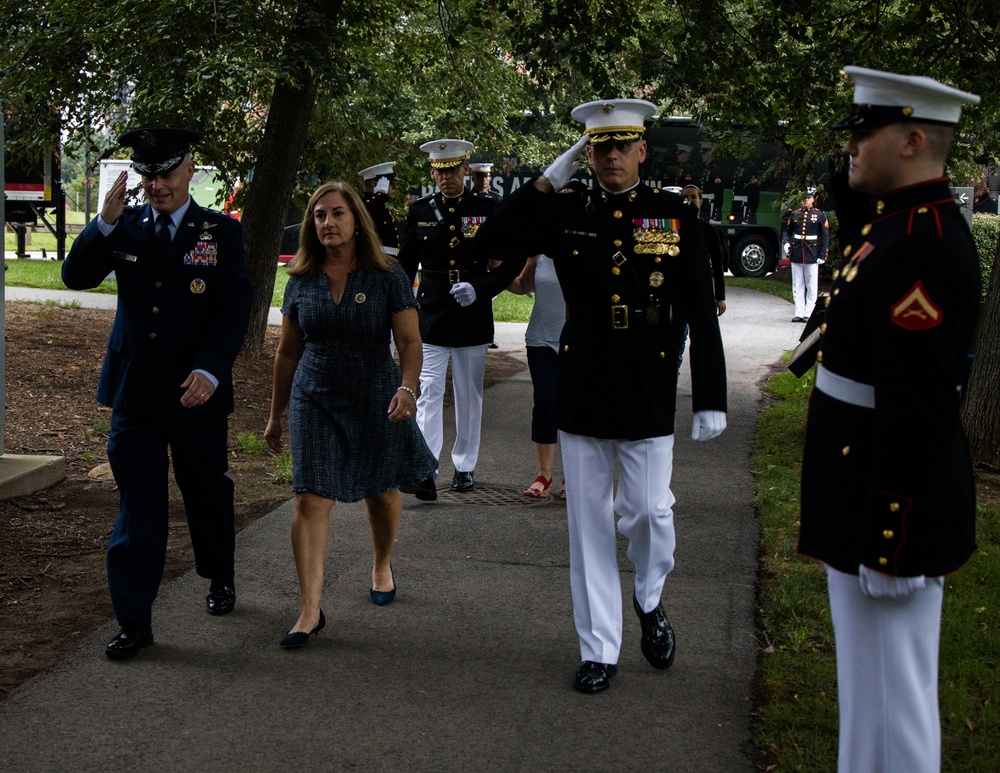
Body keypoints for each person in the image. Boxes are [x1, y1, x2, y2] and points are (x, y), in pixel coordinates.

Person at [477, 99, 728, 693]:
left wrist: (711, 395)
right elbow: (493, 236)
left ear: (642, 149)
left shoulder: (672, 214)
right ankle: (599, 649)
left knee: (649, 511)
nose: (611, 155)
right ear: (587, 153)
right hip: (583, 380)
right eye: (599, 146)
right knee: (588, 524)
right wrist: (547, 179)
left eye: (622, 145)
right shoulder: (564, 211)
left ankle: (648, 596)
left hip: (647, 383)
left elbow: (699, 305)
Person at [797, 66, 981, 772]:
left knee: (897, 700)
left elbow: (922, 404)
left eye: (863, 133)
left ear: (910, 140)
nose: (850, 147)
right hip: (857, 485)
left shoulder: (923, 242)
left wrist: (894, 529)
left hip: (888, 502)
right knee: (865, 694)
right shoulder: (896, 224)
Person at [62, 127, 252, 660]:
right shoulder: (124, 227)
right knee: (138, 508)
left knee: (206, 496)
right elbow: (75, 277)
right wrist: (102, 223)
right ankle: (134, 621)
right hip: (136, 394)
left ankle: (219, 574)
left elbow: (234, 308)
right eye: (147, 175)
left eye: (166, 173)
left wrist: (212, 370)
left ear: (191, 169)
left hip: (197, 393)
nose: (156, 185)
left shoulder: (219, 232)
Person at [264, 181, 436, 647]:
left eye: (337, 213)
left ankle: (381, 563)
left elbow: (410, 342)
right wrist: (276, 415)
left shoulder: (387, 274)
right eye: (319, 216)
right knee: (310, 498)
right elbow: (286, 354)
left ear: (356, 218)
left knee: (380, 493)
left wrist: (407, 388)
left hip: (376, 394)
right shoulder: (300, 277)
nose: (327, 223)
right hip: (314, 395)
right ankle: (309, 610)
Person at [398, 140, 524, 498]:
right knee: (428, 392)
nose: (446, 177)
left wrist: (482, 287)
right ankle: (426, 468)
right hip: (433, 312)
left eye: (453, 169)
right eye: (440, 171)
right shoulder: (420, 210)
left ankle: (465, 465)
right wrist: (397, 313)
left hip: (472, 312)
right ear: (432, 173)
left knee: (469, 395)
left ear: (466, 170)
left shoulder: (486, 209)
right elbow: (405, 265)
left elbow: (512, 262)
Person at [507, 253, 566, 500]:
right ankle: (544, 475)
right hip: (541, 338)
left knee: (575, 406)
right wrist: (498, 271)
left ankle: (573, 476)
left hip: (577, 339)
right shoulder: (538, 254)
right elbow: (522, 285)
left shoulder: (585, 246)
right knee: (545, 402)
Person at [673, 184, 727, 368]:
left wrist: (720, 297)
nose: (689, 200)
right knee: (676, 335)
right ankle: (674, 370)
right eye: (685, 197)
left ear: (701, 201)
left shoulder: (709, 231)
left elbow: (718, 267)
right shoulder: (672, 230)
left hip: (700, 294)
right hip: (677, 293)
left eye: (693, 197)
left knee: (703, 339)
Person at [781, 186, 829, 322]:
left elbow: (825, 236)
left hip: (812, 254)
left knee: (811, 286)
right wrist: (786, 243)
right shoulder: (795, 214)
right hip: (796, 252)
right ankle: (799, 313)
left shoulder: (820, 215)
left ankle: (808, 313)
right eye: (803, 198)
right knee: (797, 285)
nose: (805, 201)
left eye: (808, 198)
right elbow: (786, 231)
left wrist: (822, 255)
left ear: (813, 199)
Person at [358, 161, 400, 255]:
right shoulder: (367, 205)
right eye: (391, 184)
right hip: (376, 258)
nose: (395, 187)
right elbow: (367, 213)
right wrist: (380, 195)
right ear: (374, 184)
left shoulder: (380, 205)